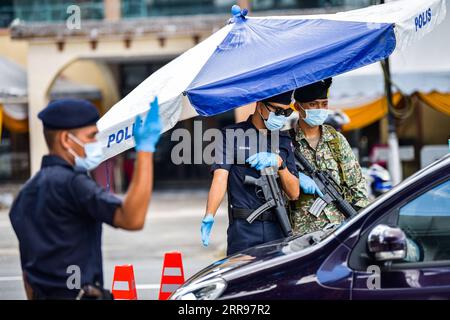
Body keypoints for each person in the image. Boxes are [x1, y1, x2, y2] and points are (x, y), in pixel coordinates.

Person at [9, 98, 161, 299]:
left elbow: (28, 276)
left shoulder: (25, 194)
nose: (96, 143)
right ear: (66, 139)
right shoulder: (73, 183)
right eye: (91, 137)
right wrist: (145, 151)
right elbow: (131, 218)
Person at [200, 91, 300, 255]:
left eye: (286, 112)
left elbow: (294, 192)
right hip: (243, 229)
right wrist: (209, 214)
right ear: (260, 105)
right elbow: (220, 177)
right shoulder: (231, 135)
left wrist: (280, 164)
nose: (281, 116)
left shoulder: (284, 140)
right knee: (241, 278)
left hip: (277, 227)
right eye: (277, 110)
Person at [290, 78, 370, 235]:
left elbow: (357, 186)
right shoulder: (285, 142)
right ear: (298, 107)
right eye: (313, 104)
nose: (320, 109)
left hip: (337, 233)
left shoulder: (336, 140)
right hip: (300, 236)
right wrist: (295, 178)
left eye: (324, 104)